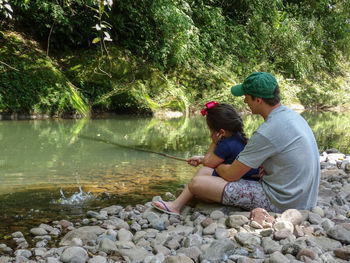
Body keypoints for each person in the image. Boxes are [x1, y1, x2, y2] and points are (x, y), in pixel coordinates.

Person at [184, 72, 320, 213]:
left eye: (246, 96)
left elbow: (231, 174)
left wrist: (218, 166)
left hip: (284, 203)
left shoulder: (267, 131)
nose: (244, 101)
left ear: (258, 100)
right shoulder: (291, 116)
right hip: (305, 198)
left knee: (197, 184)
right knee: (206, 175)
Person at [152, 102, 259, 215]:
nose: (210, 134)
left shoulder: (225, 144)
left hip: (244, 182)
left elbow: (208, 163)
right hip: (248, 178)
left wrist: (214, 143)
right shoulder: (236, 137)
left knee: (204, 171)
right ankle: (178, 203)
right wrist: (200, 158)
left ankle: (176, 206)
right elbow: (212, 160)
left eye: (211, 131)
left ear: (221, 132)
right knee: (205, 171)